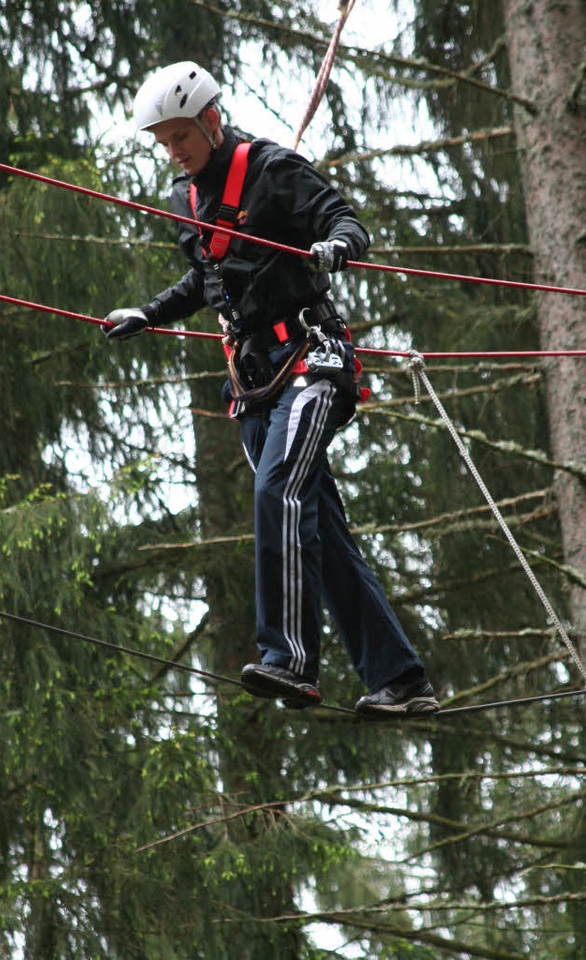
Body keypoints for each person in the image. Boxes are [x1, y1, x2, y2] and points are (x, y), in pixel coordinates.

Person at [104, 61, 438, 716]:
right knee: (320, 531)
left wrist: (335, 247)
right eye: (164, 143)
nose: (175, 151)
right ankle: (400, 679)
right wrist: (150, 313)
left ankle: (289, 659)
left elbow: (348, 223)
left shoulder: (273, 169)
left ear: (210, 119)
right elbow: (206, 281)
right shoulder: (187, 200)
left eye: (182, 137)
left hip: (314, 359)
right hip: (256, 383)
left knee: (278, 487)